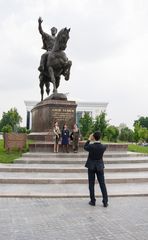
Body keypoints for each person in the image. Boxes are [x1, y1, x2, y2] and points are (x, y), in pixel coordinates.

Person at [84, 131, 108, 207]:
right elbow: (101, 145)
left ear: (93, 137)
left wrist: (89, 139)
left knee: (91, 184)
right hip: (100, 166)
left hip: (91, 166)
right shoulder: (104, 146)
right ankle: (105, 202)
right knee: (102, 184)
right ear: (100, 137)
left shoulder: (91, 146)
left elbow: (85, 147)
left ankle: (93, 201)